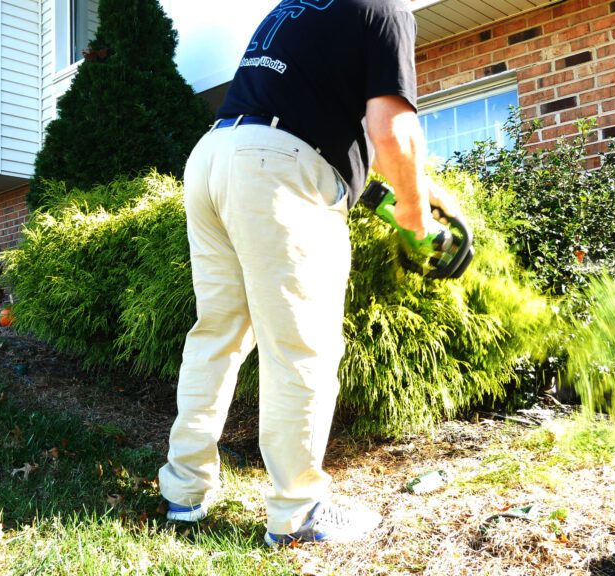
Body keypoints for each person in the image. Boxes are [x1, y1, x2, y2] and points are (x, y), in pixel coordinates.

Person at [158, 0, 445, 546]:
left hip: (216, 156)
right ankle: (298, 513)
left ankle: (184, 489)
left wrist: (413, 193)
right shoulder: (386, 8)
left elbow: (322, 128)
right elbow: (390, 129)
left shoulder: (298, 7)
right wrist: (415, 220)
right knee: (301, 344)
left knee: (216, 333)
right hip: (273, 166)